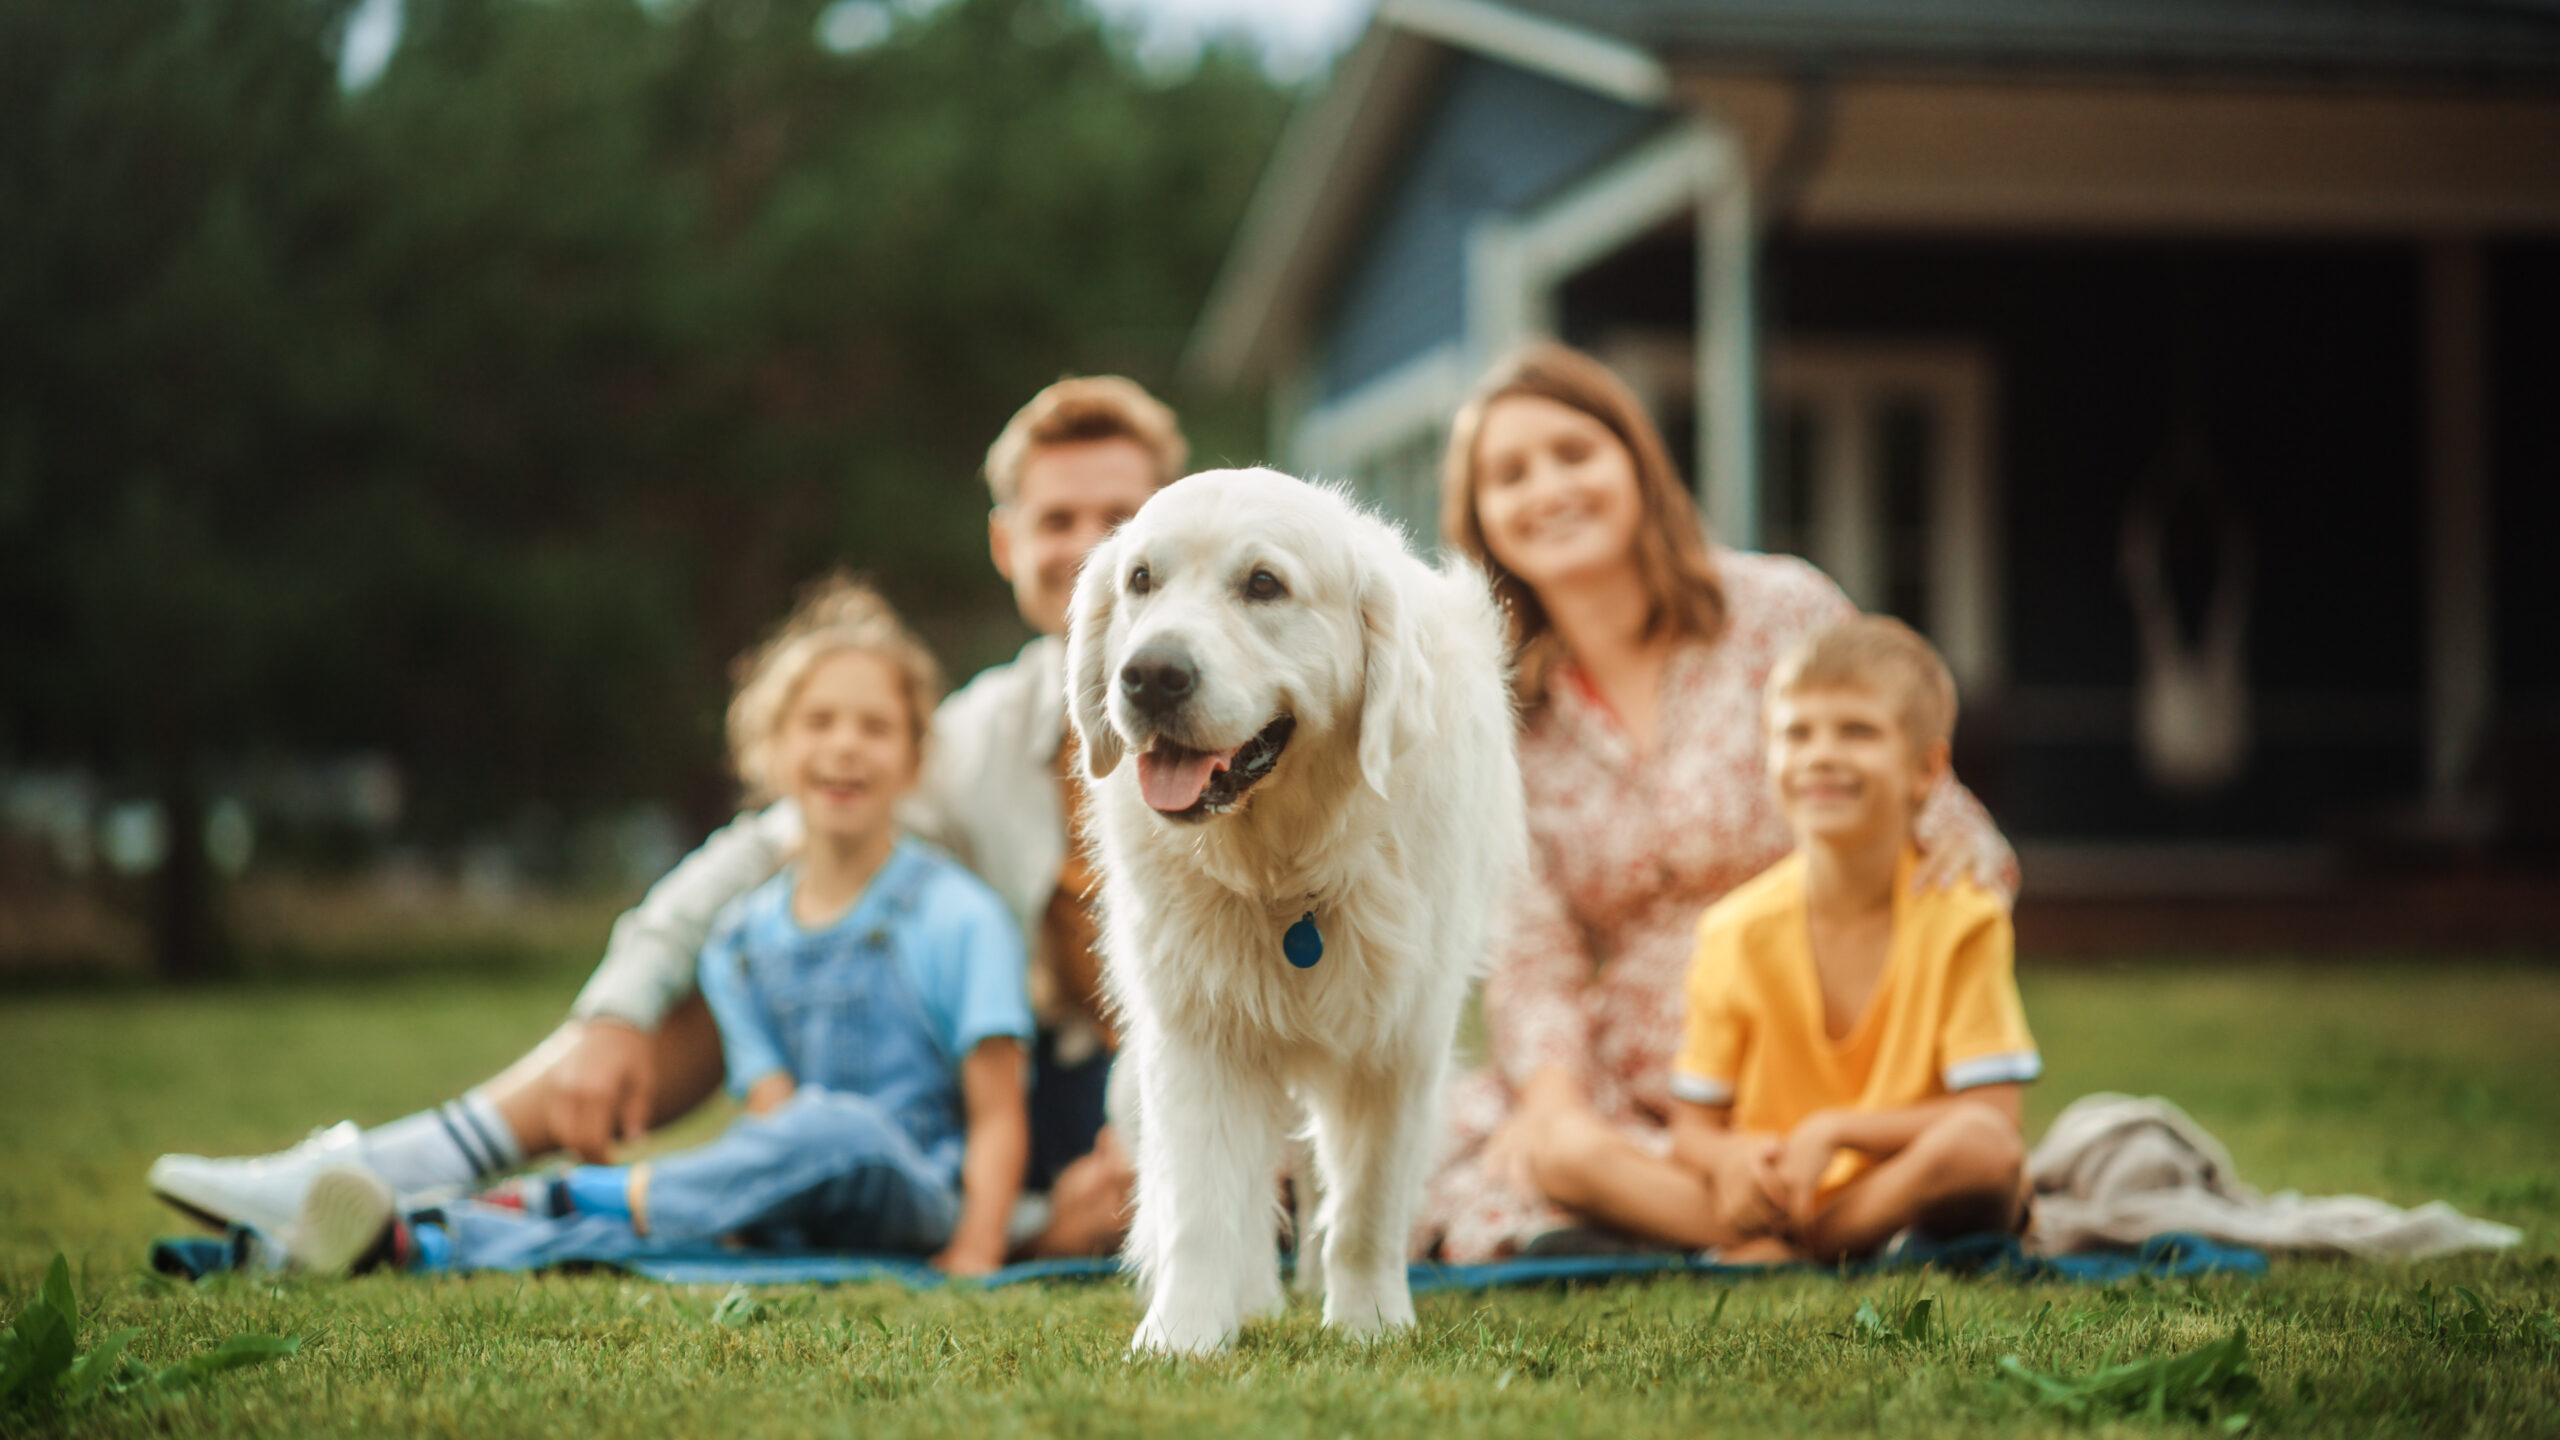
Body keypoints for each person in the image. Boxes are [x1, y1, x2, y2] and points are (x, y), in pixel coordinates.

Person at [151, 376, 1184, 1258]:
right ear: (1007, 543)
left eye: (1122, 517)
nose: (1091, 549)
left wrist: (1150, 1159)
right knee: (767, 924)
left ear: (1176, 522)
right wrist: (618, 1008)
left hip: (1213, 1084)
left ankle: (473, 1208)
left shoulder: (1255, 715)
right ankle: (397, 1167)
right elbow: (759, 851)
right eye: (1058, 520)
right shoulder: (972, 742)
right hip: (1045, 1096)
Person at [1418, 343, 2020, 1262]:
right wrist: (1554, 1105)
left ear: (1636, 464)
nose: (1547, 489)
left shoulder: (1781, 612)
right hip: (1648, 1092)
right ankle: (1768, 1229)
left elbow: (1950, 838)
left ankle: (1743, 1226)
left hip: (1830, 1058)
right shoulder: (1502, 716)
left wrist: (1894, 1018)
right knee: (1515, 1152)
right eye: (1509, 474)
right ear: (1481, 521)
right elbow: (1531, 955)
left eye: (1575, 453)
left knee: (1957, 1148)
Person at [286, 578, 1034, 1276]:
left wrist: (975, 1247)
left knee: (839, 1129)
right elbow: (771, 1114)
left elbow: (998, 1112)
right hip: (795, 1201)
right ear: (769, 748)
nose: (845, 744)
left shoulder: (959, 916)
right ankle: (426, 1238)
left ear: (913, 759)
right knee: (701, 1204)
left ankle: (567, 1192)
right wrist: (756, 1203)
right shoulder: (739, 941)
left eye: (875, 727)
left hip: (915, 1195)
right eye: (819, 722)